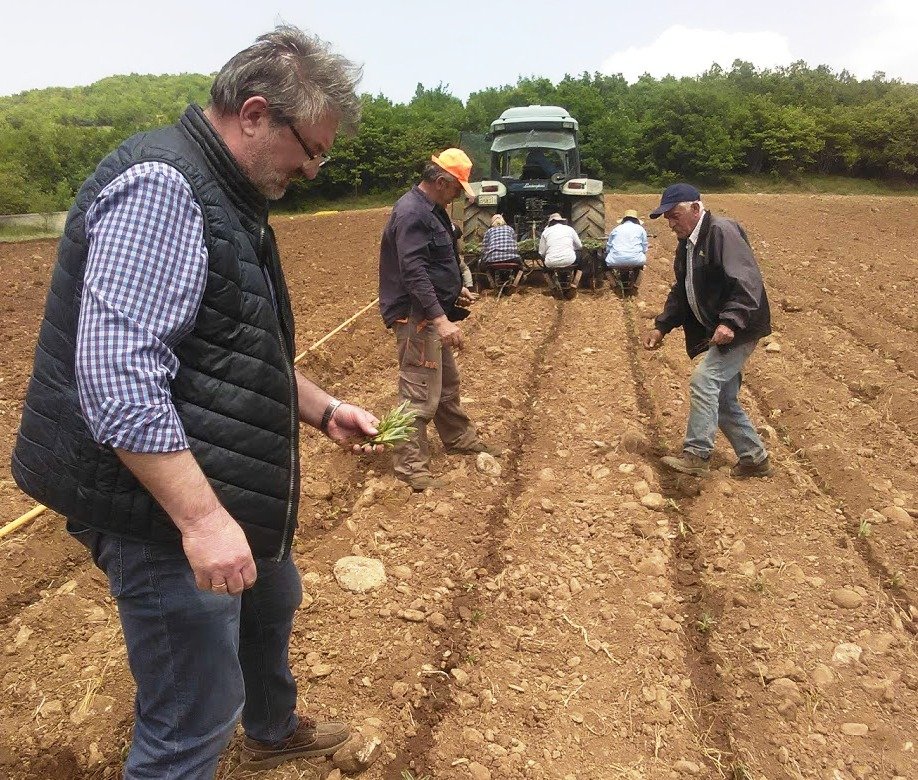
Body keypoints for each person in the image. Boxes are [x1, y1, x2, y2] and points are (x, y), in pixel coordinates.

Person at [11, 27, 378, 778]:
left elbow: (233, 351)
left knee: (273, 594)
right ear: (253, 114)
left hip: (219, 476)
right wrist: (203, 520)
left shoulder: (229, 194)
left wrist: (320, 408)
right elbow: (118, 376)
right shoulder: (165, 187)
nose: (314, 168)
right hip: (155, 506)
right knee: (191, 715)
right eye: (311, 148)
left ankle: (272, 729)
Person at [378, 149, 501, 491]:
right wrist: (439, 317)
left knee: (446, 384)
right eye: (456, 188)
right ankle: (410, 468)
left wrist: (452, 293)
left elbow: (434, 264)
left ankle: (458, 437)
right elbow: (413, 271)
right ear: (440, 181)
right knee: (418, 392)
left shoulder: (434, 211)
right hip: (416, 317)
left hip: (432, 312)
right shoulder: (412, 213)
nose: (459, 195)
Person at [642, 183, 773, 478]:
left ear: (696, 209)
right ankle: (754, 459)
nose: (671, 223)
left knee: (704, 380)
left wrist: (730, 321)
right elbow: (683, 290)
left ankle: (697, 454)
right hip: (723, 326)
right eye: (667, 219)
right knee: (723, 399)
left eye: (675, 215)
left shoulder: (721, 232)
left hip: (740, 326)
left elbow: (747, 281)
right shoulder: (688, 243)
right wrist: (662, 326)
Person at [604, 208, 648, 294]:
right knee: (640, 264)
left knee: (604, 264)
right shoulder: (641, 229)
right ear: (636, 220)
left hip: (615, 260)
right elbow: (644, 247)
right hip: (636, 260)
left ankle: (614, 285)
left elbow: (608, 246)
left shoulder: (616, 229)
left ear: (624, 220)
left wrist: (608, 252)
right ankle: (635, 285)